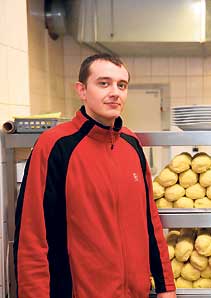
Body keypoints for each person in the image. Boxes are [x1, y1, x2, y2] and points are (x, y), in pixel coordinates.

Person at [13, 54, 176, 298]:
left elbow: (149, 221)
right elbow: (32, 234)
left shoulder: (132, 144)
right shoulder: (55, 145)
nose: (115, 92)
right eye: (103, 83)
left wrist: (166, 287)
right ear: (81, 90)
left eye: (121, 85)